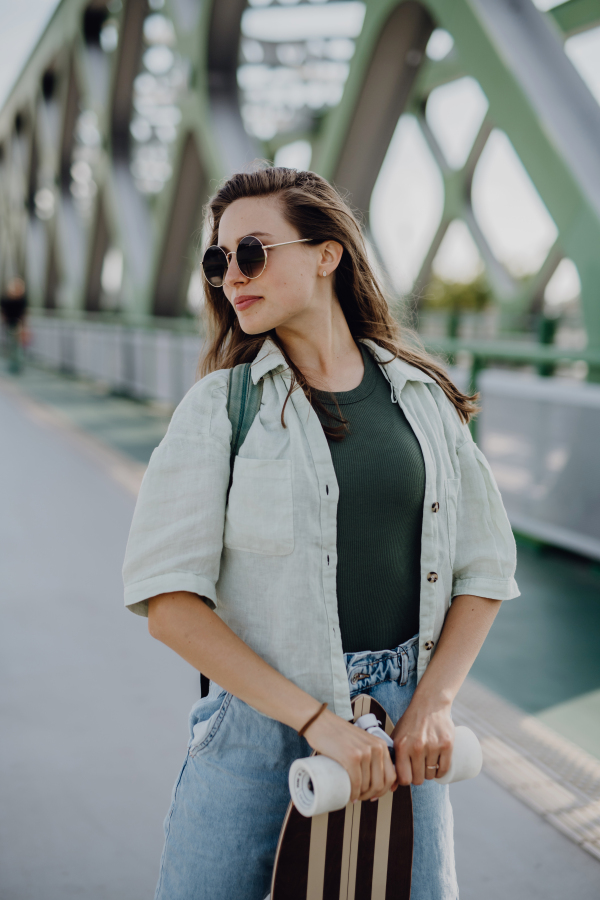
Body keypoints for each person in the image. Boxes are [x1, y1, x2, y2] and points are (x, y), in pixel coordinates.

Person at [122, 166, 519, 900]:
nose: (230, 277)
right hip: (257, 731)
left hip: (402, 730)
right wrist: (316, 720)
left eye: (252, 253)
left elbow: (486, 567)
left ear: (327, 253)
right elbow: (170, 606)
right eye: (217, 261)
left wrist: (432, 703)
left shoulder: (421, 399)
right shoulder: (219, 409)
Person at [0, 277, 27, 374]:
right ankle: (13, 365)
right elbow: (4, 313)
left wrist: (24, 327)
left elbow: (24, 314)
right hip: (9, 325)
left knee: (17, 346)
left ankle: (17, 365)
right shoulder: (6, 300)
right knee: (12, 345)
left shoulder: (21, 300)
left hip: (17, 324)